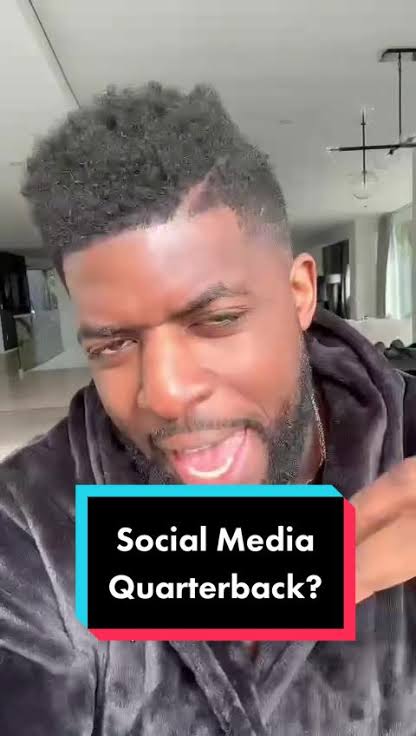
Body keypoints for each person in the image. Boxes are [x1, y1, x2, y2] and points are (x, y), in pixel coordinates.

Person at [1, 82, 416, 735]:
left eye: (217, 320)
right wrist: (317, 567)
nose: (165, 392)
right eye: (114, 345)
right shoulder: (31, 517)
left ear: (299, 294)